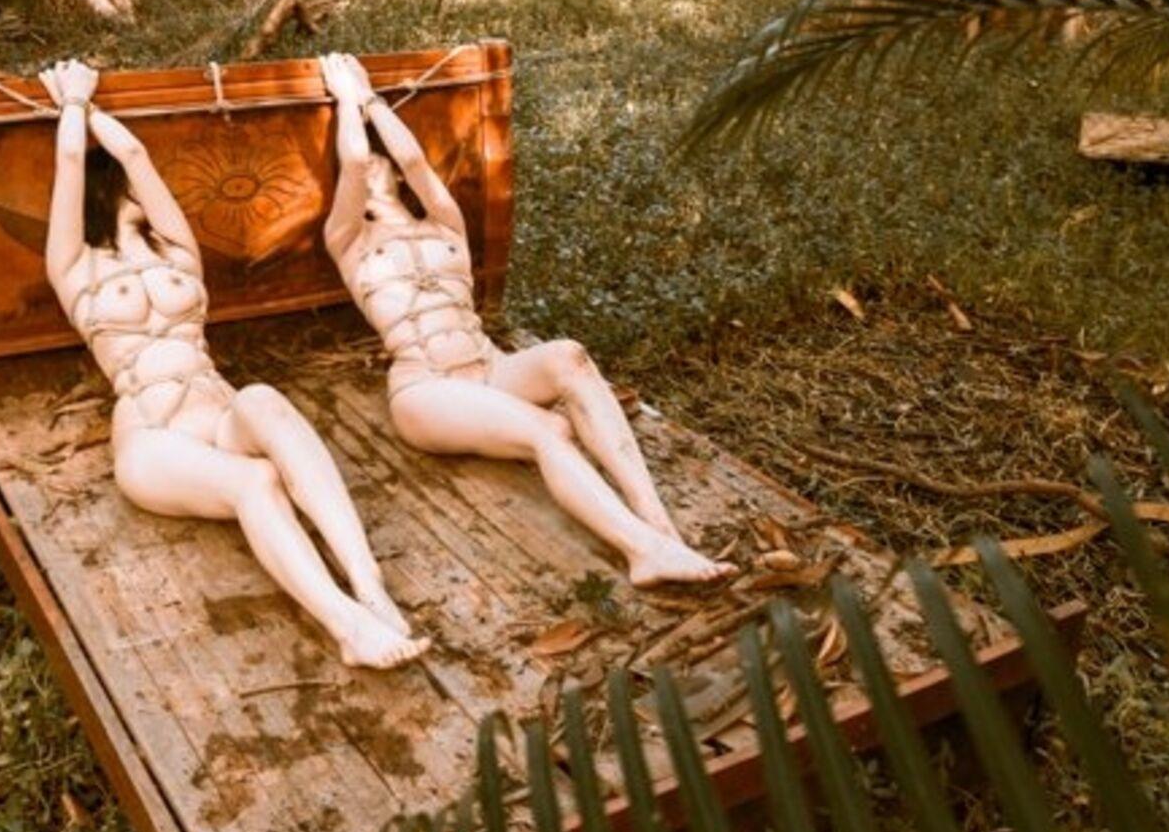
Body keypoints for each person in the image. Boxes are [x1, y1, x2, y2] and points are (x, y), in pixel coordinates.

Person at [36, 59, 424, 668]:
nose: (144, 186)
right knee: (256, 481)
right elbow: (70, 159)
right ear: (104, 191)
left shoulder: (177, 250)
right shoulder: (74, 266)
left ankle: (367, 581)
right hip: (155, 436)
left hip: (217, 414)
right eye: (128, 182)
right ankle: (347, 626)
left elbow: (136, 155)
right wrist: (75, 102)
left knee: (263, 397)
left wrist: (91, 108)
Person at [318, 52, 733, 587]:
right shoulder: (350, 241)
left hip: (490, 368)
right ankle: (643, 552)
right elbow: (354, 159)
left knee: (569, 356)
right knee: (549, 429)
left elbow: (416, 161)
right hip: (427, 387)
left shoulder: (444, 225)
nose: (369, 168)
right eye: (358, 175)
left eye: (383, 164)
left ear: (397, 175)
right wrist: (349, 98)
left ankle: (656, 521)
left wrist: (374, 101)